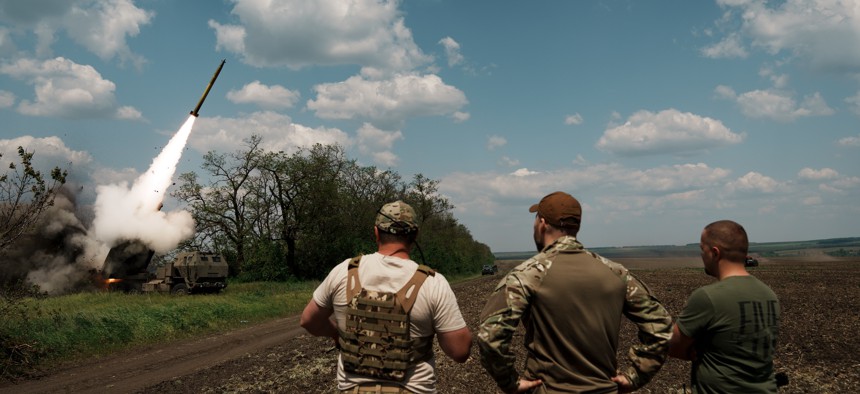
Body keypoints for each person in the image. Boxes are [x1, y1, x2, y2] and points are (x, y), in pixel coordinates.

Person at [477, 191, 673, 393]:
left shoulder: (527, 275)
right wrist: (635, 377)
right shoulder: (616, 273)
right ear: (576, 226)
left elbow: (490, 336)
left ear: (542, 224)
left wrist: (510, 382)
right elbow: (661, 326)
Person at [300, 200, 472, 394]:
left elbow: (308, 320)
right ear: (415, 235)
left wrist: (337, 334)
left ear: (376, 232)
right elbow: (460, 351)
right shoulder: (433, 282)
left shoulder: (344, 271)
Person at [669, 220, 781, 393]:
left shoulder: (707, 297)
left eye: (702, 249)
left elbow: (673, 345)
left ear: (715, 253)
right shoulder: (769, 295)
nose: (701, 255)